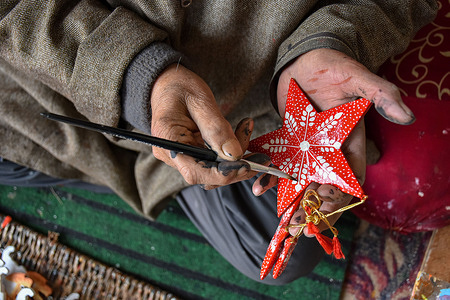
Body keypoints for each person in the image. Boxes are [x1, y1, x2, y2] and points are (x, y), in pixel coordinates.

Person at [0, 0, 438, 285]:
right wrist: (138, 75)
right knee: (19, 156)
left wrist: (332, 37)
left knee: (293, 250)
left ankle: (163, 173)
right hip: (62, 71)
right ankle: (143, 167)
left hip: (269, 86)